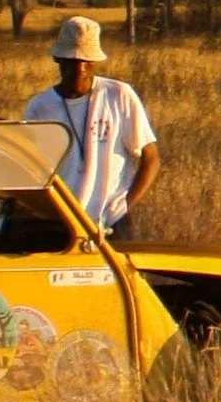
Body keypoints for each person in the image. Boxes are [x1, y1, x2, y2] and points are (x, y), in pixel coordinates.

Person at [23, 16, 160, 239]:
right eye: (72, 60)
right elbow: (31, 172)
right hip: (63, 225)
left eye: (86, 61)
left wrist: (125, 205)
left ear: (95, 62)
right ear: (58, 59)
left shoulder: (119, 95)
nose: (79, 68)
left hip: (113, 223)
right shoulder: (40, 108)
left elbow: (151, 158)